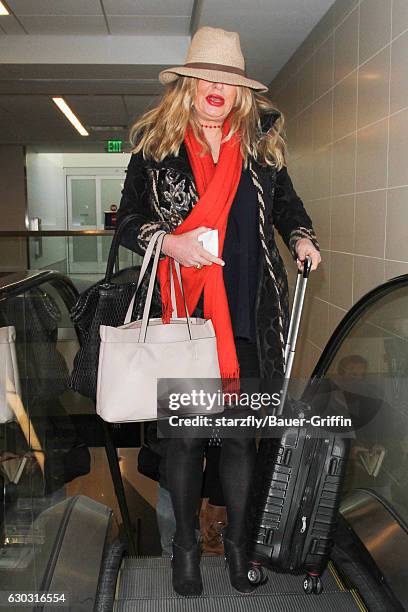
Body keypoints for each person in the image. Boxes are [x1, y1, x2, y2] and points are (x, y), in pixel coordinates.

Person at [117, 26, 321, 596]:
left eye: (228, 81)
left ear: (240, 92)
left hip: (247, 317)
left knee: (237, 440)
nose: (217, 88)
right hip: (183, 317)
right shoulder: (157, 149)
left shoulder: (259, 148)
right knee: (184, 442)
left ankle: (237, 546)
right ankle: (185, 547)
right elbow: (128, 219)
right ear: (188, 85)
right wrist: (168, 241)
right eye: (207, 76)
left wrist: (301, 237)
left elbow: (287, 204)